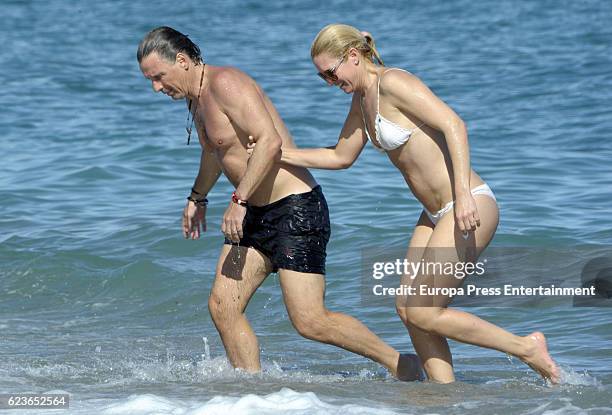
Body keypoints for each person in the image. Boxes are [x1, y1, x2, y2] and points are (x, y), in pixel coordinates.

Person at [249, 23, 560, 384]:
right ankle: (444, 393)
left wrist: (461, 195)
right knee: (408, 309)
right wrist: (278, 154)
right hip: (433, 214)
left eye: (331, 74)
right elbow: (340, 156)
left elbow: (454, 125)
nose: (331, 84)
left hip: (469, 202)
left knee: (424, 310)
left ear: (353, 57)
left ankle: (526, 347)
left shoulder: (393, 82)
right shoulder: (361, 103)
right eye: (323, 79)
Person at [136, 26, 421, 380]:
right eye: (150, 81)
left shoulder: (227, 83)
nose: (156, 88)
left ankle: (401, 364)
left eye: (159, 77)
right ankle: (251, 393)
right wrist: (198, 197)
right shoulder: (197, 99)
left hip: (294, 210)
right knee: (224, 307)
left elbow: (269, 142)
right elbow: (216, 152)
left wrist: (238, 199)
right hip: (252, 218)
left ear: (181, 60)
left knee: (310, 321)